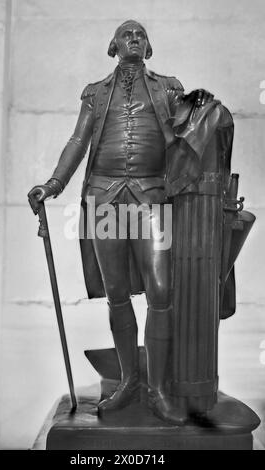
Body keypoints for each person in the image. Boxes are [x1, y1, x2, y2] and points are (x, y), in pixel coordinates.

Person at [28, 20, 215, 425]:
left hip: (150, 196)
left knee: (161, 290)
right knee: (116, 294)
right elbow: (78, 141)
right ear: (112, 46)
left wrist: (207, 111)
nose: (134, 38)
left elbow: (191, 131)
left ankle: (159, 388)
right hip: (105, 196)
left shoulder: (169, 87)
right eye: (127, 34)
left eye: (141, 35)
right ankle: (129, 379)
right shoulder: (95, 93)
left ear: (149, 49)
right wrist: (54, 184)